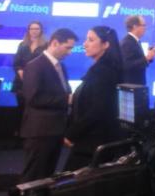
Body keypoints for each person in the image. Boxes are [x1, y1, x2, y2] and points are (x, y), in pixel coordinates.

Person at [19, 28, 77, 182]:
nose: (70, 53)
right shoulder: (34, 66)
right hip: (39, 132)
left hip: (55, 131)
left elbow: (65, 90)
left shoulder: (61, 66)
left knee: (47, 177)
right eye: (68, 48)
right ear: (55, 43)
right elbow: (34, 98)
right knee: (33, 178)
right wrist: (66, 99)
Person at [64, 26, 124, 171]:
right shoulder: (101, 69)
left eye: (91, 40)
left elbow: (98, 110)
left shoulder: (104, 72)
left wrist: (72, 134)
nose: (85, 44)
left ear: (105, 45)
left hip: (93, 144)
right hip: (91, 142)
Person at [12, 21, 48, 129]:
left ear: (41, 30)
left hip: (38, 84)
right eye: (32, 29)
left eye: (37, 28)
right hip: (21, 83)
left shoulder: (46, 45)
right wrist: (20, 72)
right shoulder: (22, 45)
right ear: (28, 30)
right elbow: (16, 63)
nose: (34, 31)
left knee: (34, 111)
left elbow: (47, 64)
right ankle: (19, 136)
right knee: (21, 110)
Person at [120, 15, 155, 86]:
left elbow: (137, 61)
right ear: (135, 27)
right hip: (131, 86)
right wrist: (146, 58)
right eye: (143, 25)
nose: (145, 28)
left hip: (137, 85)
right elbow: (126, 65)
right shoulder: (127, 43)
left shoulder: (135, 41)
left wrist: (149, 58)